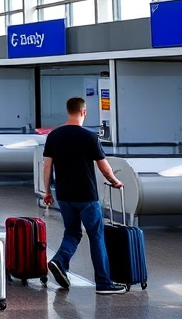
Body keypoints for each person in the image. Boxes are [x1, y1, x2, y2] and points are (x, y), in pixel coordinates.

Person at [42, 97, 127, 295]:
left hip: (64, 195)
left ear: (67, 110)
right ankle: (104, 283)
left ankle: (59, 261)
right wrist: (115, 181)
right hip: (86, 196)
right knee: (96, 236)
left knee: (72, 232)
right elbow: (103, 166)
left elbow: (47, 166)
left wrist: (47, 191)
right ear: (84, 112)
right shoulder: (89, 137)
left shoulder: (54, 136)